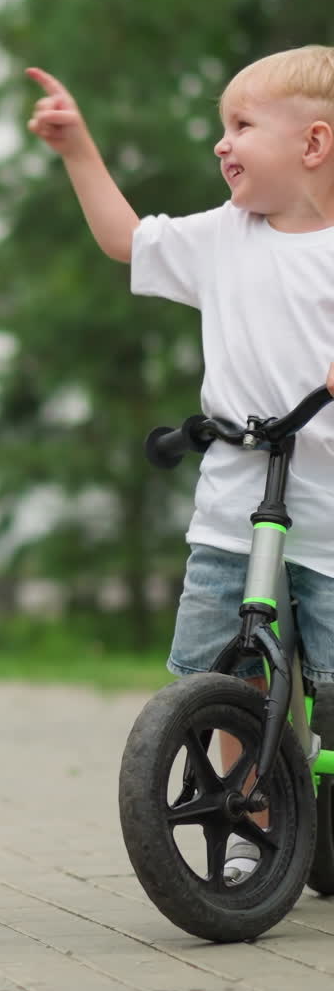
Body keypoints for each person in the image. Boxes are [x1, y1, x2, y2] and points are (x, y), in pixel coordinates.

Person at [27, 47, 334, 880]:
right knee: (224, 676)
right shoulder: (224, 236)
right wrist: (78, 149)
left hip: (329, 516)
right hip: (235, 505)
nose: (220, 143)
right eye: (220, 127)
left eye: (241, 125)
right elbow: (125, 239)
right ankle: (252, 830)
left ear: (313, 144)